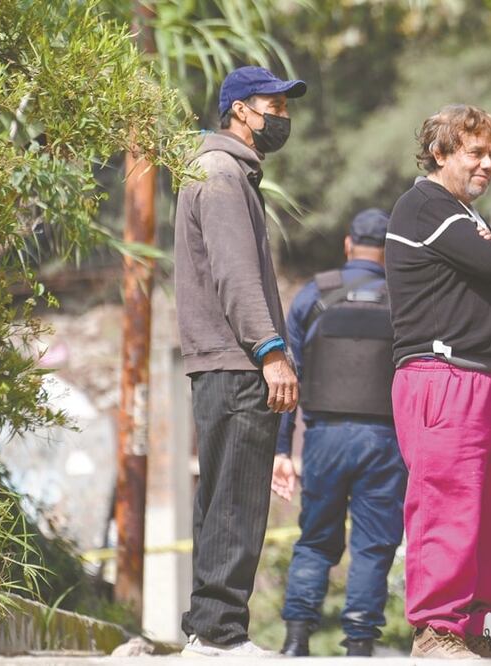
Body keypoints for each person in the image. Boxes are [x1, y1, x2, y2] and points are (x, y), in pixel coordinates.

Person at [386, 104, 491, 659]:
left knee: (489, 514)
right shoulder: (426, 205)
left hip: (479, 379)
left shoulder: (460, 215)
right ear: (440, 153)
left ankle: (469, 627)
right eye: (475, 152)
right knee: (445, 504)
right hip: (440, 375)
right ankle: (436, 630)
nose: (487, 163)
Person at [174, 65, 305, 658]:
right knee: (236, 497)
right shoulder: (222, 174)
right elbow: (235, 275)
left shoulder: (219, 171)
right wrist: (271, 352)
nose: (282, 117)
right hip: (237, 362)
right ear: (240, 111)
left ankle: (208, 629)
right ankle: (220, 633)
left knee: (221, 494)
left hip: (222, 361)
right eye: (273, 106)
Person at [272, 209, 407, 658]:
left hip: (324, 437)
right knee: (373, 544)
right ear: (389, 250)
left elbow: (288, 378)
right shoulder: (405, 297)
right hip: (384, 440)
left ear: (348, 244)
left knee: (315, 539)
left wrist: (282, 448)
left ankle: (296, 640)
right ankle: (360, 645)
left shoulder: (314, 294)